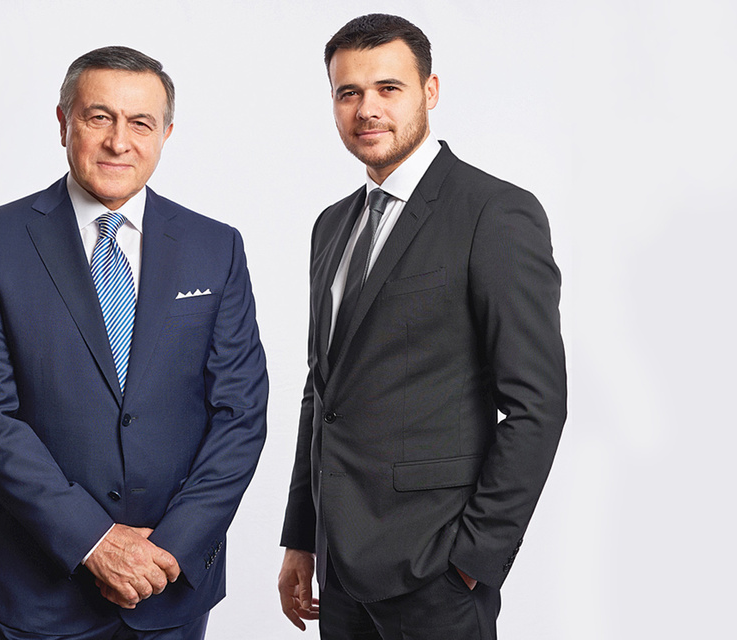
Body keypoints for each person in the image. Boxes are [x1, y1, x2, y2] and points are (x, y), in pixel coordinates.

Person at [0, 46, 267, 640]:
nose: (120, 141)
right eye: (99, 117)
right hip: (39, 588)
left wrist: (170, 549)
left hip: (170, 587)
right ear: (63, 121)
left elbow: (240, 414)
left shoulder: (216, 247)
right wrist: (92, 541)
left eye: (140, 122)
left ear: (166, 133)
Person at [277, 14, 567, 639]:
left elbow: (537, 405)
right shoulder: (332, 225)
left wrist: (473, 560)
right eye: (348, 92)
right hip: (339, 569)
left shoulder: (495, 213)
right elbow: (322, 391)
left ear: (430, 91)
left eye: (389, 88)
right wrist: (302, 536)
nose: (367, 109)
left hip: (436, 570)